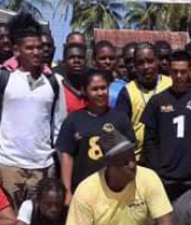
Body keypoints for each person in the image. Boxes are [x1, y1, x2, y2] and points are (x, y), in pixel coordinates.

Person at [0, 12, 67, 207]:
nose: (36, 52)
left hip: (44, 167)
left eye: (39, 47)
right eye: (30, 48)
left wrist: (58, 165)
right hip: (9, 166)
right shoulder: (0, 76)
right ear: (16, 50)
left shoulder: (54, 82)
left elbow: (58, 128)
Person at [143, 51, 191, 201]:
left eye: (183, 72)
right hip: (165, 177)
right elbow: (150, 140)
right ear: (169, 71)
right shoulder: (157, 101)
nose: (178, 76)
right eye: (175, 71)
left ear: (190, 71)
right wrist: (157, 169)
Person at [57, 70, 136, 203]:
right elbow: (67, 155)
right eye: (94, 89)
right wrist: (67, 191)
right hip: (82, 189)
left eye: (103, 88)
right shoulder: (74, 119)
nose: (100, 93)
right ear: (84, 91)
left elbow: (129, 156)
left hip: (114, 190)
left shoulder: (120, 118)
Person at [116, 43, 172, 160]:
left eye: (150, 61)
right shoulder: (127, 92)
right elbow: (121, 131)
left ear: (157, 61)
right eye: (141, 63)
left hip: (169, 157)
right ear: (135, 66)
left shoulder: (171, 84)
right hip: (139, 161)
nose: (146, 66)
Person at [93, 40, 125, 107]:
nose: (108, 61)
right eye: (103, 58)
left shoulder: (124, 86)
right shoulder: (88, 86)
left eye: (111, 58)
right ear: (94, 59)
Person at [61, 42, 88, 114]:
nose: (76, 61)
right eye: (71, 57)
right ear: (64, 62)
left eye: (80, 57)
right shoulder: (58, 89)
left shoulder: (92, 89)